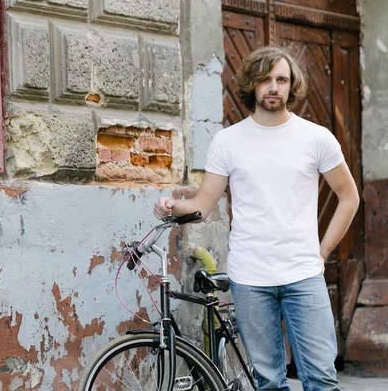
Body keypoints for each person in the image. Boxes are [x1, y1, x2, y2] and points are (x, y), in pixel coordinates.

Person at [154, 46, 359, 391]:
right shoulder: (228, 141)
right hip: (251, 279)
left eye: (281, 79)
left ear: (292, 85)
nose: (274, 87)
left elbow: (348, 198)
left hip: (303, 275)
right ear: (252, 84)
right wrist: (171, 206)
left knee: (321, 379)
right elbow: (204, 202)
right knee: (268, 382)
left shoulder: (316, 138)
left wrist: (321, 253)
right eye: (265, 79)